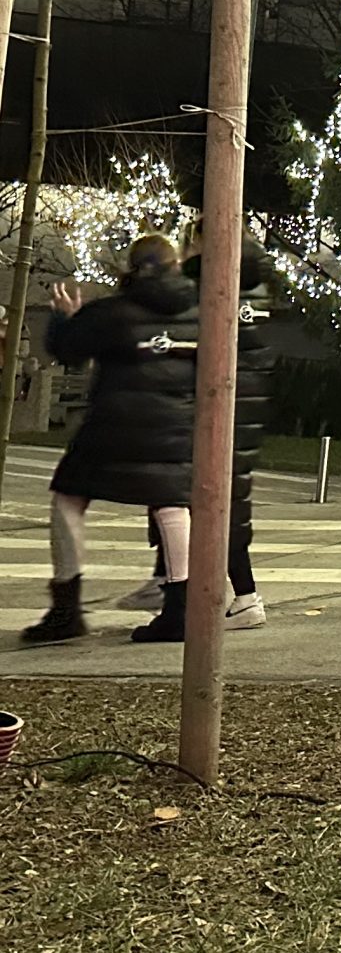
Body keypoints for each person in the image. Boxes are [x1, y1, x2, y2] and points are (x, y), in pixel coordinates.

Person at [20, 235, 201, 646]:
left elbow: (67, 351)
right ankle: (179, 609)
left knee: (68, 497)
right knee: (171, 504)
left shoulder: (111, 313)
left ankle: (66, 605)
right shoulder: (200, 312)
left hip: (110, 431)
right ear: (175, 267)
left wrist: (66, 317)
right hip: (175, 430)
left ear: (133, 268)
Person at [119, 232, 278, 632]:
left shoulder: (216, 285)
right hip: (239, 410)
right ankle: (184, 582)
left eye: (195, 240)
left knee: (202, 503)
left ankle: (233, 596)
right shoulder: (250, 286)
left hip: (220, 410)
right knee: (206, 503)